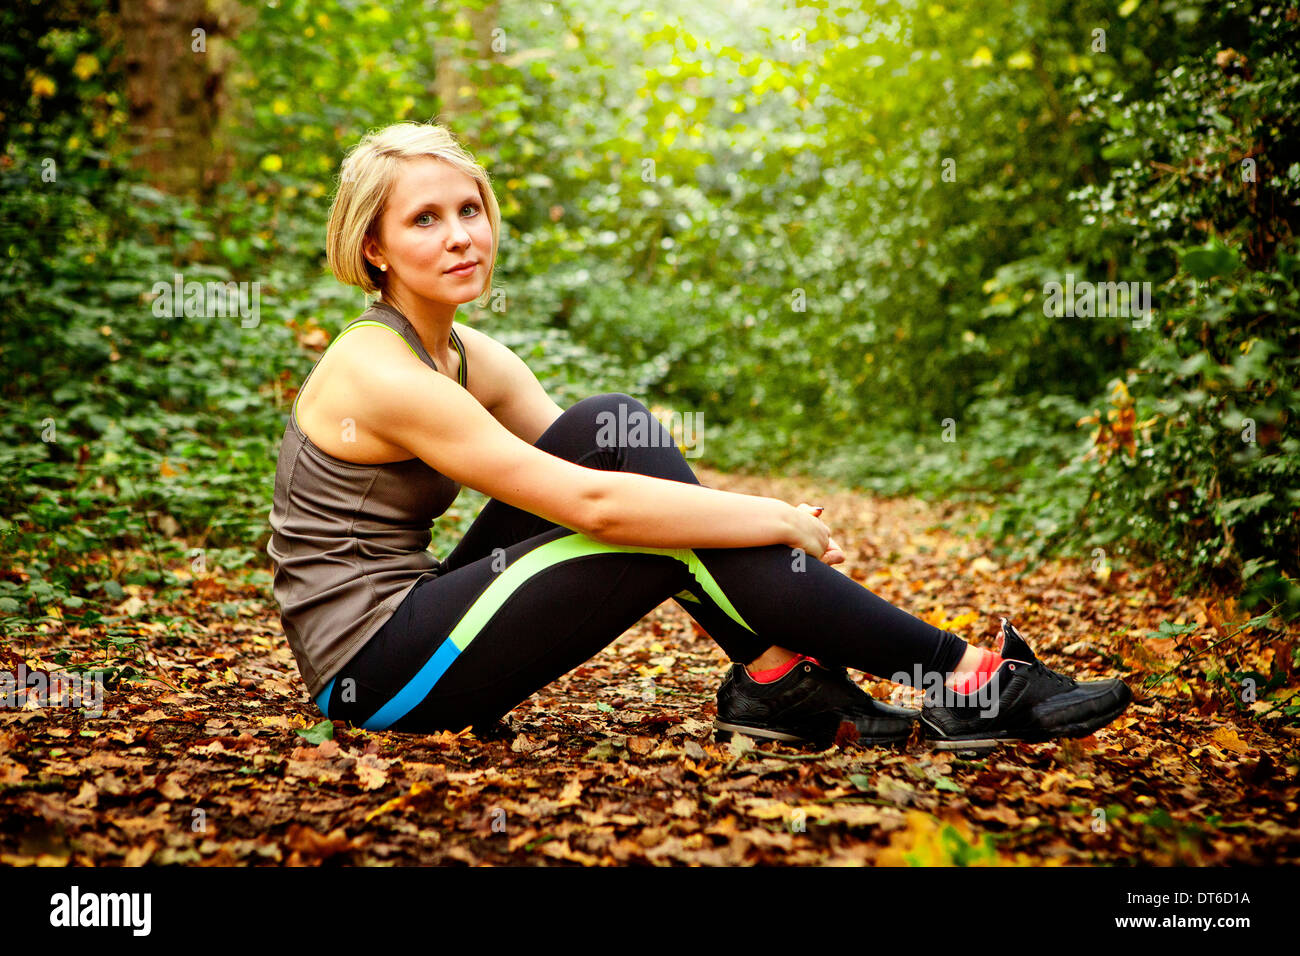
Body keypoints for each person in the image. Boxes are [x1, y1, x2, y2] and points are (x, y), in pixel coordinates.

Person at [266, 121, 1132, 754]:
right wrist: (770, 516)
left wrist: (729, 512)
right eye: (424, 220)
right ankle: (962, 678)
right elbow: (589, 502)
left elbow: (614, 457)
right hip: (374, 672)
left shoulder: (465, 353)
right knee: (670, 539)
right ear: (372, 246)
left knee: (616, 421)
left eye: (470, 209)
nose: (460, 235)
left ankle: (779, 684)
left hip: (424, 619)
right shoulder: (378, 370)